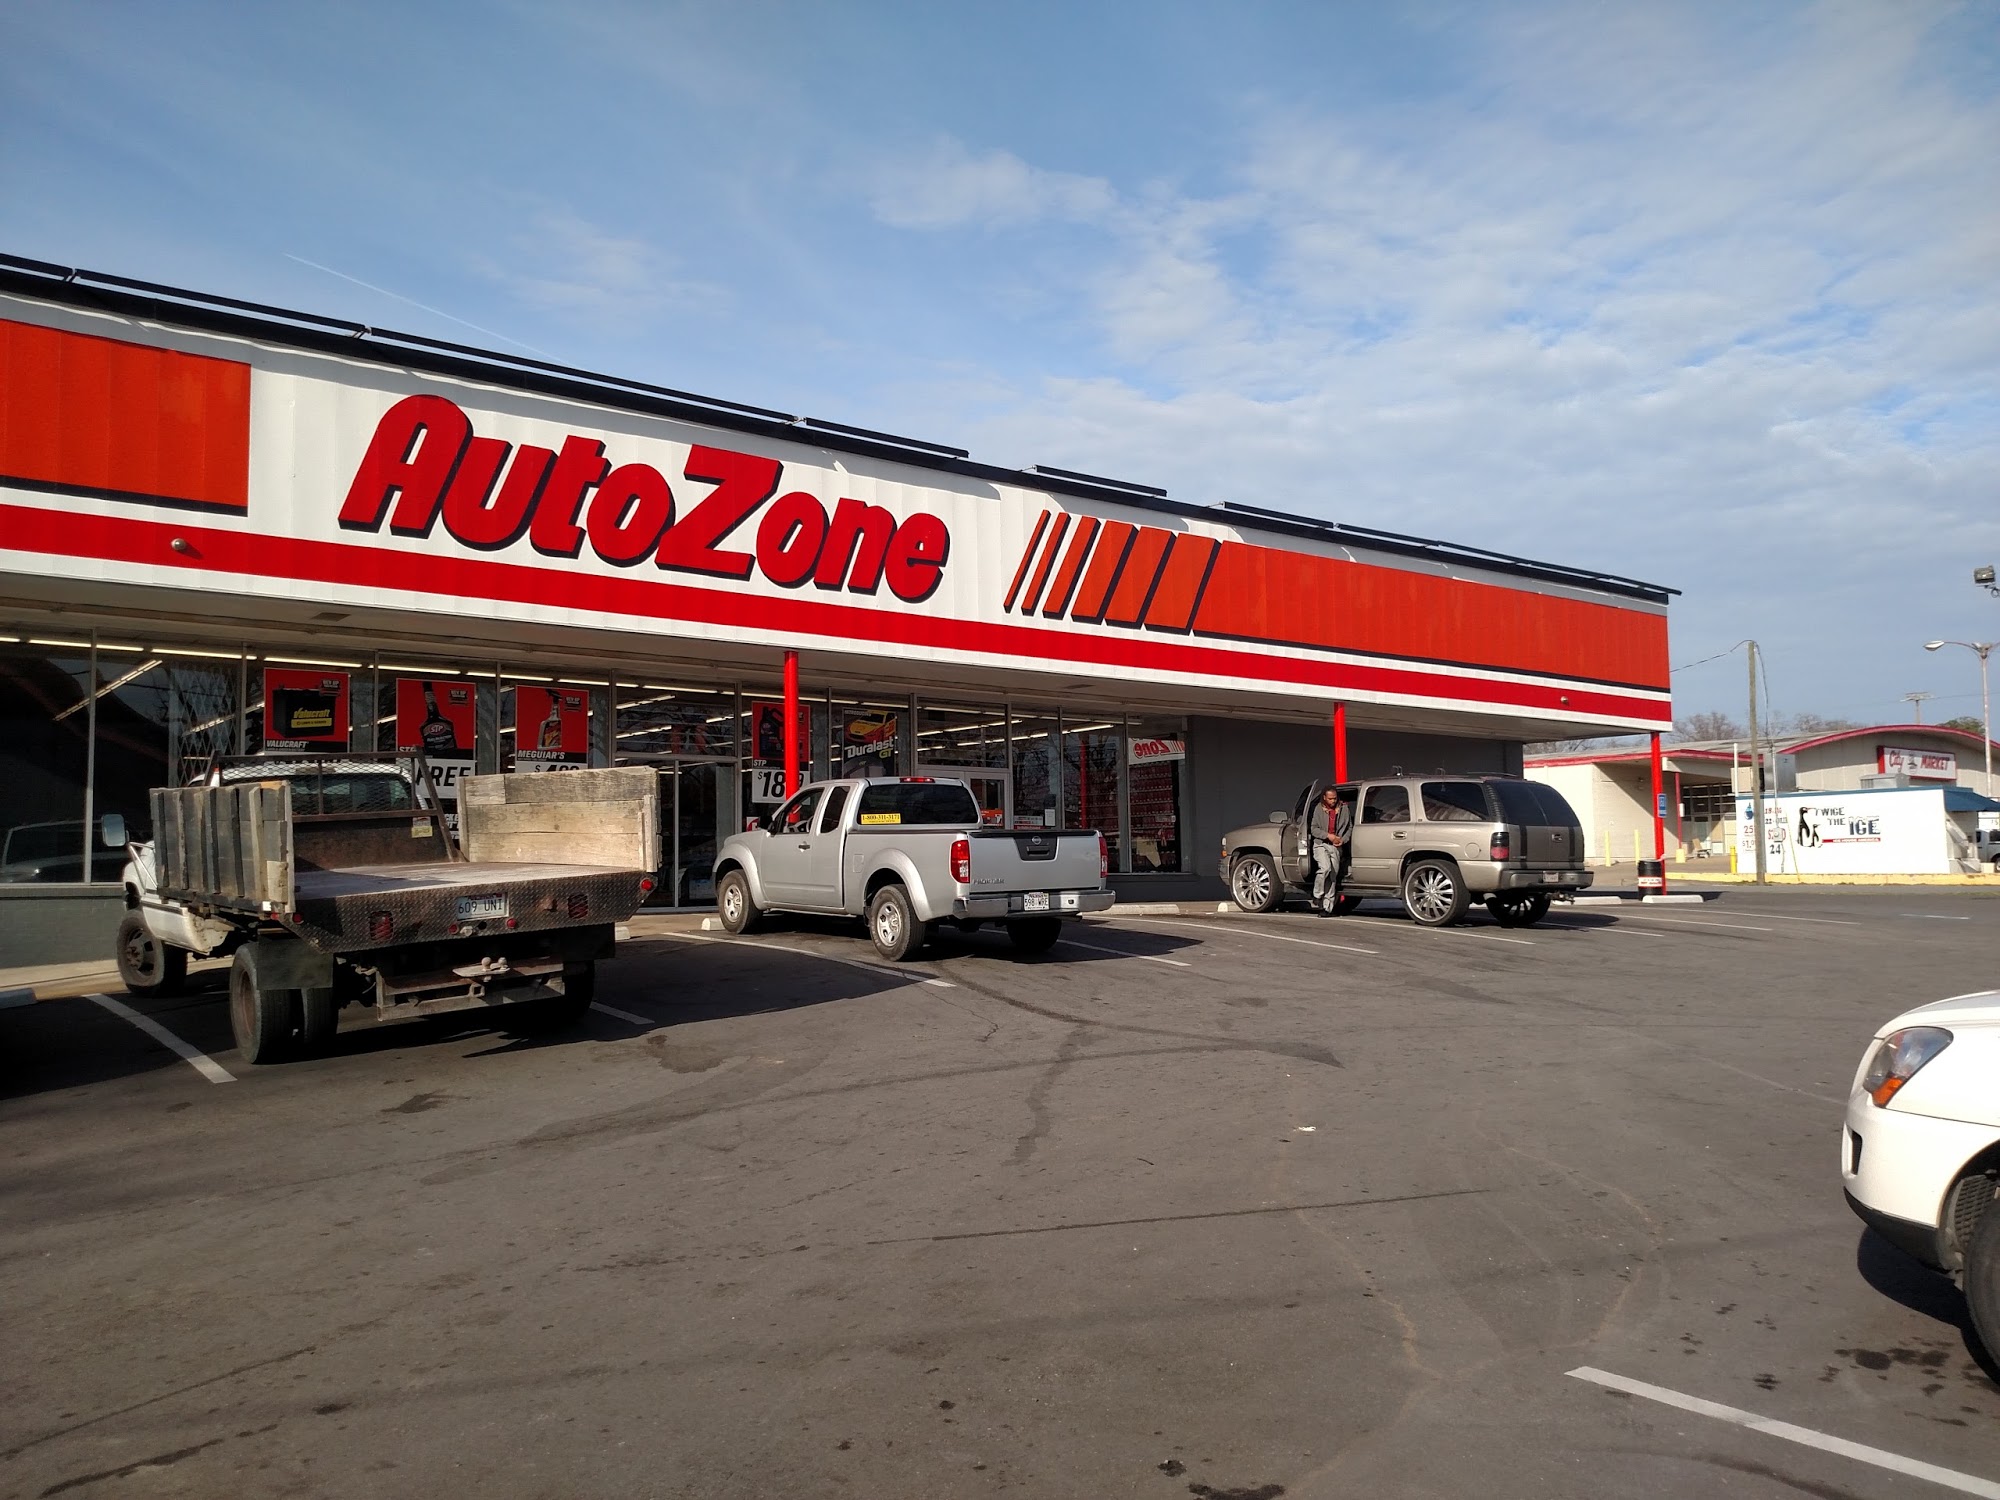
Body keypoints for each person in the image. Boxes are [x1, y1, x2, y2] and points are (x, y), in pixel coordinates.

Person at [1309, 786, 1351, 915]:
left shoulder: (1344, 808)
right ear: (1324, 798)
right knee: (1325, 868)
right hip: (1321, 844)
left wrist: (1343, 839)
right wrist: (1328, 836)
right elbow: (1314, 829)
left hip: (1336, 846)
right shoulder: (1319, 809)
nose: (1333, 801)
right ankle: (1317, 894)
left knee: (1332, 876)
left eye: (1334, 798)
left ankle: (1327, 908)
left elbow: (1349, 827)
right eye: (1330, 799)